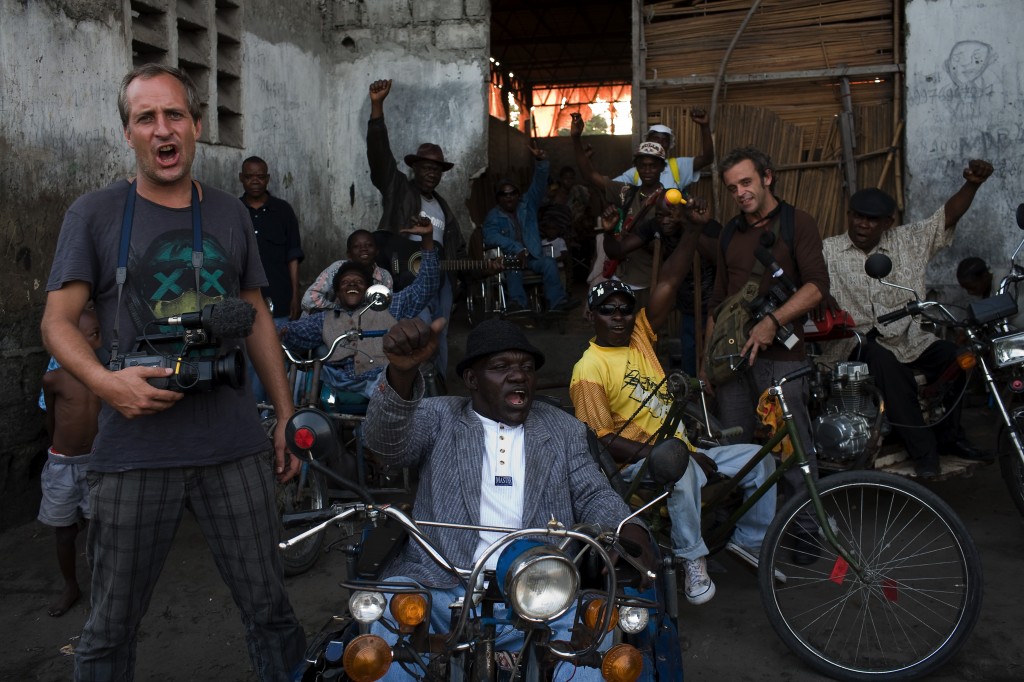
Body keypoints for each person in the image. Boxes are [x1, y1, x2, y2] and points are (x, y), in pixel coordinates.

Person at [40, 64, 305, 680]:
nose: (162, 129)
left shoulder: (232, 215)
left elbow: (258, 312)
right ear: (128, 133)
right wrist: (109, 384)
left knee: (270, 609)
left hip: (233, 446)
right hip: (132, 452)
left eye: (174, 115)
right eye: (145, 118)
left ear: (197, 126)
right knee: (109, 628)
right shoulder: (95, 213)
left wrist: (285, 411)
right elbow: (57, 322)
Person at [362, 317, 655, 681]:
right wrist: (400, 375)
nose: (518, 377)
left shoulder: (563, 429)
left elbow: (593, 493)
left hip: (544, 590)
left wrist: (629, 529)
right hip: (440, 584)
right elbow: (384, 446)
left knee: (594, 655)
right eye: (501, 367)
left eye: (526, 368)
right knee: (382, 647)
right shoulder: (438, 417)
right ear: (472, 380)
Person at [571, 208, 774, 606]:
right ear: (591, 315)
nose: (617, 316)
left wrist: (695, 229)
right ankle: (691, 561)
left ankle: (751, 542)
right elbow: (599, 439)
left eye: (624, 309)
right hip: (638, 467)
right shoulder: (587, 369)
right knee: (678, 470)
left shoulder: (639, 338)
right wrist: (668, 455)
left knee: (759, 457)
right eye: (607, 310)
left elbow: (669, 279)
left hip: (684, 450)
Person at [821, 161, 995, 478]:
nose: (861, 224)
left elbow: (947, 217)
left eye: (871, 220)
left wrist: (972, 184)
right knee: (889, 367)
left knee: (961, 358)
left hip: (908, 337)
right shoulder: (827, 251)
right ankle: (924, 453)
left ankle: (950, 438)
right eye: (857, 216)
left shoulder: (908, 241)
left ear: (888, 222)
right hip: (855, 342)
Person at [701, 147, 829, 558]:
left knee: (791, 445)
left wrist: (773, 321)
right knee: (734, 447)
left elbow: (816, 287)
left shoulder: (797, 223)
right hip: (734, 361)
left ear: (767, 177)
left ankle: (808, 530)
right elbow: (718, 304)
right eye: (732, 187)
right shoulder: (728, 234)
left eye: (746, 182)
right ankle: (741, 528)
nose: (740, 193)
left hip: (782, 359)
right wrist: (707, 363)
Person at [367, 77, 468, 376]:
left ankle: (439, 386)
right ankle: (416, 386)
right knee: (418, 327)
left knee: (441, 330)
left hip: (442, 279)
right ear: (414, 168)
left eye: (436, 170)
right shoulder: (398, 188)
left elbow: (457, 250)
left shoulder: (444, 209)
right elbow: (379, 157)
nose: (431, 174)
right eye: (425, 168)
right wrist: (377, 108)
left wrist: (477, 271)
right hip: (408, 278)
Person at [281, 219, 438, 402]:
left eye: (359, 282)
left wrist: (427, 239)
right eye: (346, 283)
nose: (352, 285)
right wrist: (279, 332)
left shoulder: (388, 306)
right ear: (337, 293)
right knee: (300, 381)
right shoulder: (324, 318)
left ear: (368, 291)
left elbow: (425, 287)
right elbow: (294, 332)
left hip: (379, 383)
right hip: (334, 383)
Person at [603, 195, 721, 375]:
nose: (665, 220)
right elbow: (617, 251)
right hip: (686, 304)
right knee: (690, 357)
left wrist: (689, 226)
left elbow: (718, 257)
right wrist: (609, 233)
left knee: (713, 356)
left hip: (713, 304)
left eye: (670, 215)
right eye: (660, 215)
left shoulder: (707, 225)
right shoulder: (656, 226)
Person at [38, 305, 102, 618]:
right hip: (62, 465)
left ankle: (101, 586)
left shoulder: (108, 375)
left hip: (97, 463)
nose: (101, 342)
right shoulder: (54, 380)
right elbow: (51, 421)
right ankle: (70, 586)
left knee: (97, 529)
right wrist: (61, 449)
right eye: (94, 335)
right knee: (64, 531)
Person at [572, 113, 668, 295]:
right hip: (620, 277)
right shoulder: (626, 192)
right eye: (642, 165)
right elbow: (590, 175)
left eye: (653, 166)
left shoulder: (667, 200)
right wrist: (576, 138)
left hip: (649, 282)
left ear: (662, 167)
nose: (647, 170)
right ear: (636, 166)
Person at [482, 144, 578, 313]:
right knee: (512, 267)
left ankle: (557, 303)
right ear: (498, 198)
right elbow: (490, 236)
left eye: (512, 193)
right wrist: (516, 248)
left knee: (549, 263)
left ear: (518, 195)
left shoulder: (528, 204)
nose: (509, 197)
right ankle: (518, 304)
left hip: (533, 256)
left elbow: (539, 185)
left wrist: (541, 162)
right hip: (512, 259)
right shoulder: (493, 216)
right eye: (504, 194)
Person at [239, 155, 304, 322]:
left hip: (280, 300)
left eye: (260, 177)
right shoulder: (234, 211)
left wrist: (296, 297)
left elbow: (293, 257)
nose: (255, 181)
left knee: (281, 346)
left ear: (267, 179)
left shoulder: (283, 211)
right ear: (241, 178)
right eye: (249, 177)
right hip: (243, 301)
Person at [611, 110, 714, 191]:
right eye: (655, 139)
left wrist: (704, 126)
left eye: (664, 140)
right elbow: (610, 186)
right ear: (647, 141)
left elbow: (707, 159)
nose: (659, 143)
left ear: (669, 145)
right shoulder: (636, 172)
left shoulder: (678, 166)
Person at [302, 228, 395, 313]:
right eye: (356, 246)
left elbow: (386, 305)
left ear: (377, 251)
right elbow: (309, 299)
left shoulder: (384, 276)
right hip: (326, 320)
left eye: (369, 245)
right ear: (349, 254)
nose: (363, 249)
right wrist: (341, 312)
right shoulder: (337, 269)